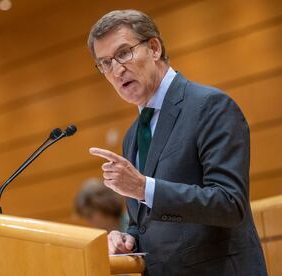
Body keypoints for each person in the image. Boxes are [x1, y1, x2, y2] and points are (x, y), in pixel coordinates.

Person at [87, 9, 267, 275]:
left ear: (154, 48)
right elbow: (146, 221)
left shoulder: (210, 106)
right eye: (105, 63)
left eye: (124, 53)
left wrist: (143, 187)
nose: (116, 69)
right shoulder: (132, 135)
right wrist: (129, 238)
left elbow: (230, 203)